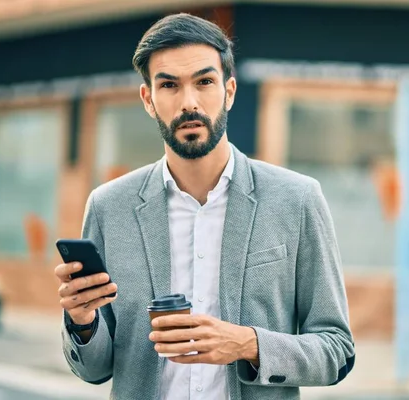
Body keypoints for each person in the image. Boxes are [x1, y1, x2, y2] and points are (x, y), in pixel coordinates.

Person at [55, 12, 355, 400]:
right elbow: (95, 370)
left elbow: (336, 350)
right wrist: (82, 322)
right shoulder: (109, 207)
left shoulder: (296, 200)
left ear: (229, 91)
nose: (189, 102)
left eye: (204, 82)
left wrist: (249, 344)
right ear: (148, 99)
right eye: (169, 85)